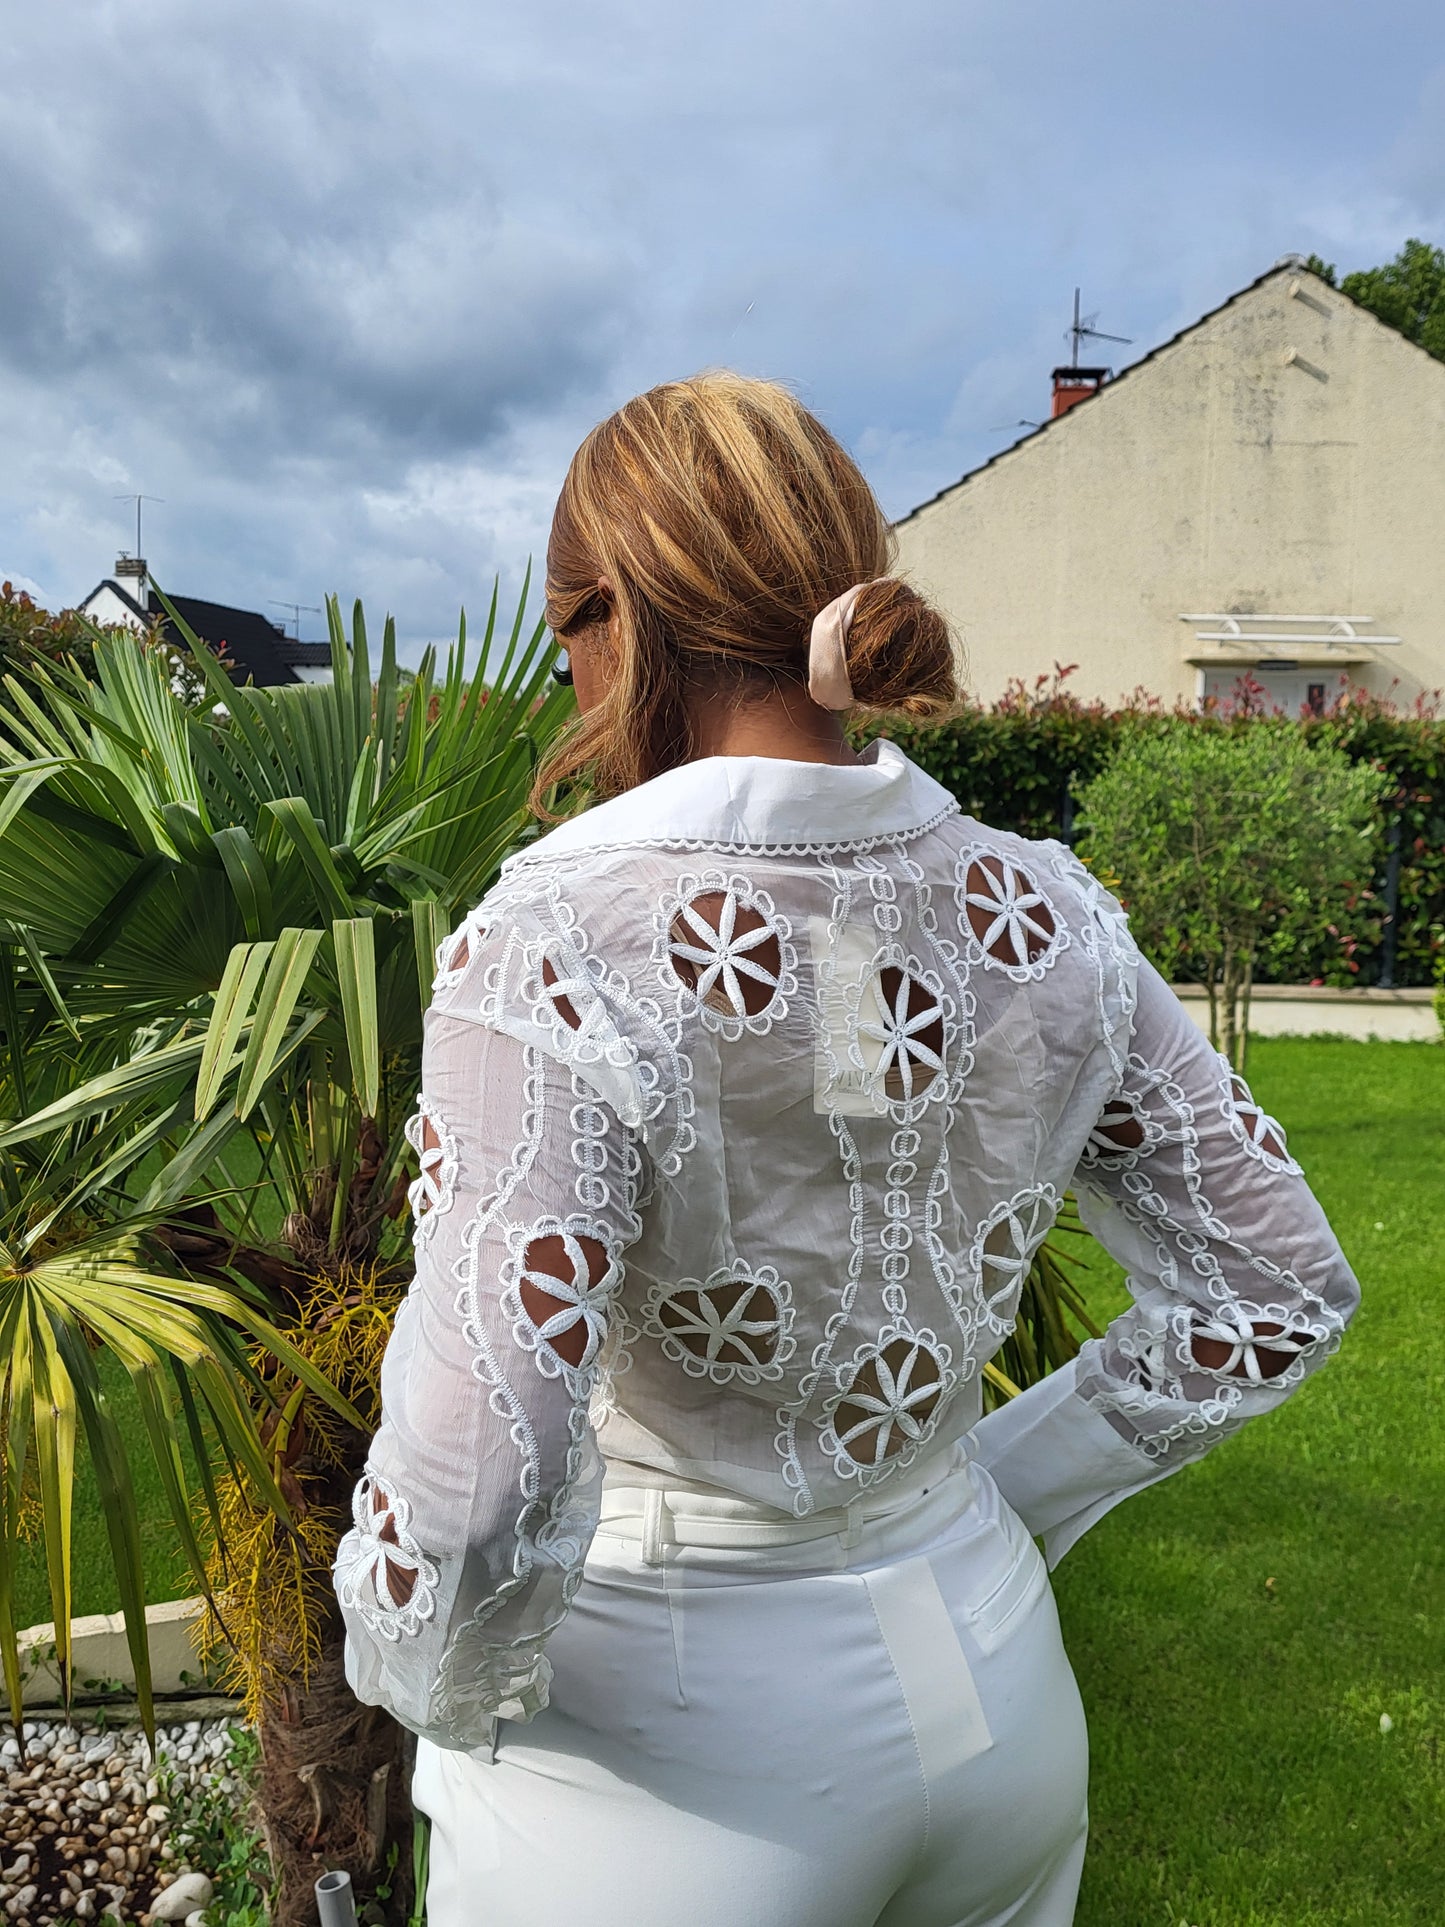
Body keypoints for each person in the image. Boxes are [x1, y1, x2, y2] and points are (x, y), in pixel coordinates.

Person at [333, 372, 1359, 1927]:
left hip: (655, 1763)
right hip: (996, 1693)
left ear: (611, 621)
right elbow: (1271, 1282)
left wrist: (417, 1677)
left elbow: (477, 1476)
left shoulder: (560, 936)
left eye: (562, 641)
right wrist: (987, 1501)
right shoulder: (1043, 912)